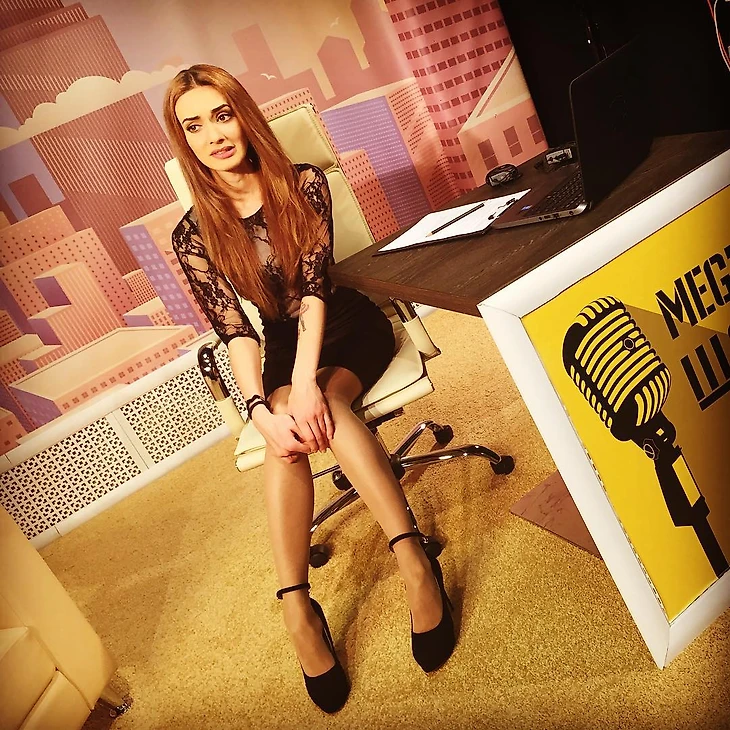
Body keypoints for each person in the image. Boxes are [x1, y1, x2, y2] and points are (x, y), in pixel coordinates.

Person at [163, 65, 454, 713]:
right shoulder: (192, 233)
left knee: (325, 404)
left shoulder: (302, 183)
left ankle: (413, 564)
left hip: (345, 325)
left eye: (222, 115)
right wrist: (257, 409)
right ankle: (298, 610)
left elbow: (316, 291)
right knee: (282, 440)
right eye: (194, 125)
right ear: (183, 140)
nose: (213, 135)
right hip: (279, 345)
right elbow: (235, 330)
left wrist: (304, 386)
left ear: (244, 117)